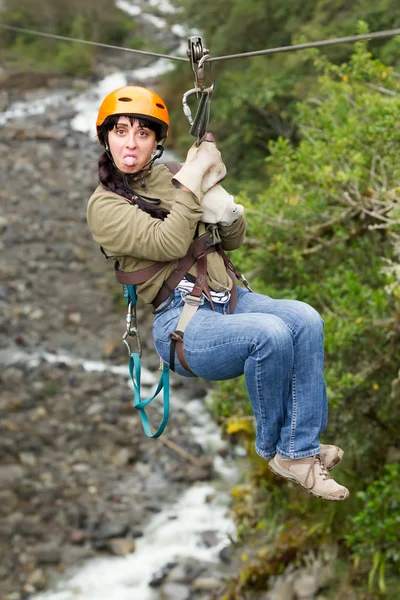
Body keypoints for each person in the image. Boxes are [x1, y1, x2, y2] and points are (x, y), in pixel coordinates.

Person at [87, 85, 349, 502]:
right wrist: (193, 183)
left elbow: (233, 239)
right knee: (270, 334)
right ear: (106, 139)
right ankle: (281, 453)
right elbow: (169, 243)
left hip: (226, 297)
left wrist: (226, 210)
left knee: (305, 319)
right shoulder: (105, 207)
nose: (130, 143)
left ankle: (300, 446)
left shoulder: (173, 173)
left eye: (142, 132)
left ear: (156, 141)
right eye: (120, 131)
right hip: (181, 323)